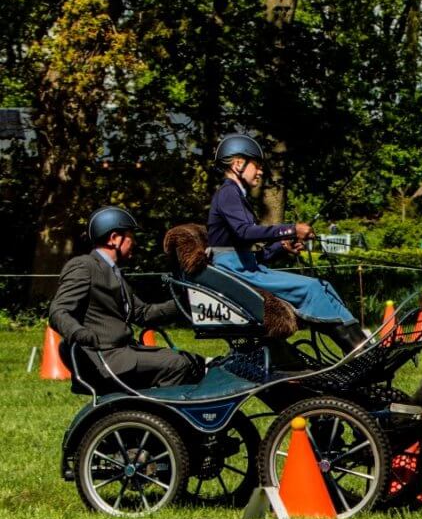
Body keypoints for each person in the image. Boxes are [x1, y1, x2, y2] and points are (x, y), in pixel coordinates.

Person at [207, 133, 365, 352]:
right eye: (257, 165)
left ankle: (364, 346)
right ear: (238, 164)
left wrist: (281, 247)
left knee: (323, 286)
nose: (261, 171)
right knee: (312, 288)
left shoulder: (234, 195)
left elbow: (248, 252)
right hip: (233, 272)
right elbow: (244, 232)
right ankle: (358, 352)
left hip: (243, 267)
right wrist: (291, 229)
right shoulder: (228, 193)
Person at [49, 207, 205, 392]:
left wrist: (187, 302)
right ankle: (155, 410)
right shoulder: (84, 266)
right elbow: (58, 311)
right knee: (178, 364)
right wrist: (78, 333)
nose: (134, 242)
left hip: (123, 353)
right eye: (130, 236)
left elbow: (143, 314)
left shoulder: (113, 272)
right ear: (114, 238)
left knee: (196, 363)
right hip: (106, 357)